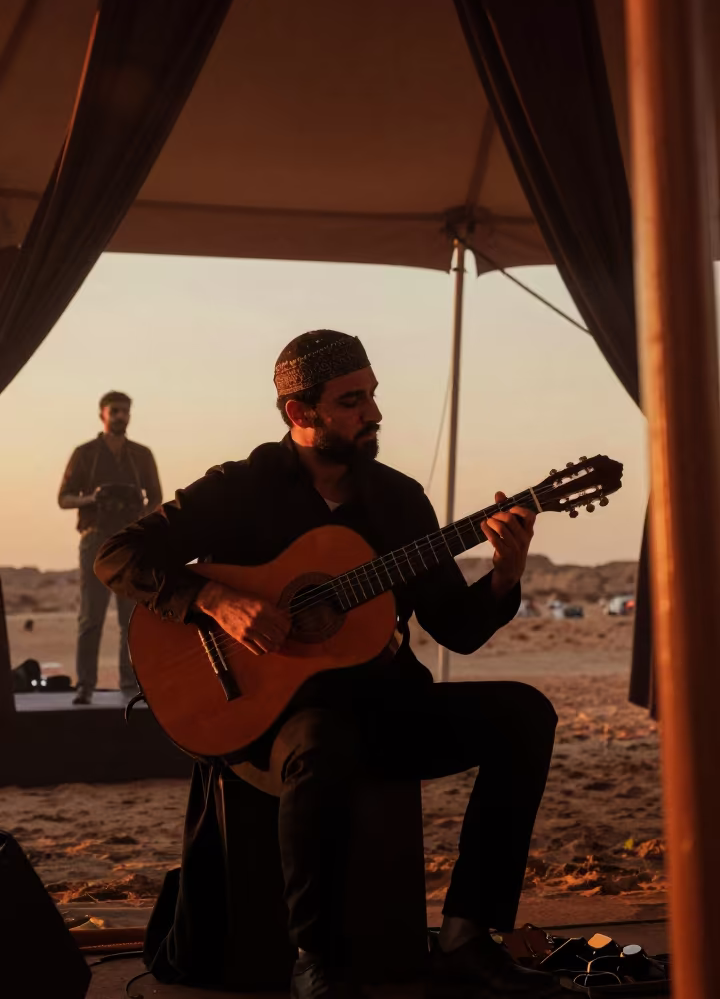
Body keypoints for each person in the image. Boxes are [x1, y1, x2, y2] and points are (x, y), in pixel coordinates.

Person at [95, 333, 558, 998]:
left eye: (372, 395)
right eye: (352, 401)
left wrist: (503, 574)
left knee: (525, 714)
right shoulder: (240, 488)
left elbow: (454, 630)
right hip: (272, 719)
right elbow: (116, 555)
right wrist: (215, 600)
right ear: (299, 413)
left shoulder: (400, 502)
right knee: (320, 739)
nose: (373, 414)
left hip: (387, 705)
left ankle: (466, 933)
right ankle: (315, 957)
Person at [59, 391, 162, 705]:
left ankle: (130, 685)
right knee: (91, 616)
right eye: (114, 411)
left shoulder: (141, 455)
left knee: (130, 617)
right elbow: (64, 498)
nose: (120, 416)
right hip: (94, 539)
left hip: (130, 541)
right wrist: (93, 498)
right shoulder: (85, 453)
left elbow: (156, 498)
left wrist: (139, 515)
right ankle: (85, 685)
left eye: (125, 411)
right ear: (102, 414)